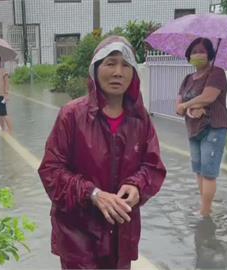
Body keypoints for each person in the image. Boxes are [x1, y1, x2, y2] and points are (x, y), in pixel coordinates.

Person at [38, 36, 166, 269]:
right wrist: (93, 194)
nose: (118, 72)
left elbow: (153, 166)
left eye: (126, 65)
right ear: (95, 69)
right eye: (110, 63)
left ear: (133, 73)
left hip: (122, 237)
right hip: (78, 237)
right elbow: (50, 170)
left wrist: (137, 185)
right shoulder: (71, 116)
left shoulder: (140, 120)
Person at [176, 37, 227, 217]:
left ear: (210, 54)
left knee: (208, 173)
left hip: (213, 127)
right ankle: (205, 206)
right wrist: (190, 110)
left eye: (202, 51)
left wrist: (189, 105)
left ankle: (205, 212)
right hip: (193, 129)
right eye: (194, 51)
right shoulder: (187, 79)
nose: (197, 54)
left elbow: (209, 96)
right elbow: (178, 107)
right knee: (198, 170)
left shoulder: (217, 73)